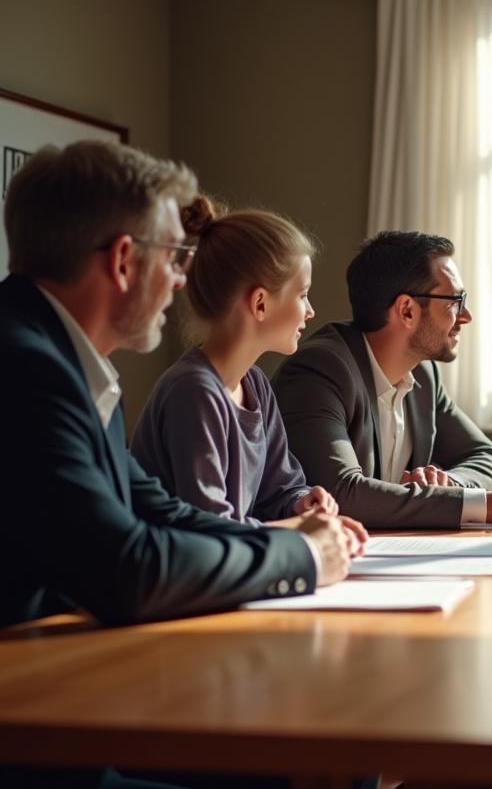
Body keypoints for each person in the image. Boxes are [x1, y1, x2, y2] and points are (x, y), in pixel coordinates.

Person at [0, 140, 362, 788]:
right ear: (121, 261)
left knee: (339, 756)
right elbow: (127, 567)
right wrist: (300, 559)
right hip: (37, 733)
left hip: (67, 692)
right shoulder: (25, 367)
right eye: (174, 258)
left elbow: (158, 510)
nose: (182, 279)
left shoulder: (70, 363)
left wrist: (300, 538)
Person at [273, 230, 492, 528]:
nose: (466, 316)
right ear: (407, 310)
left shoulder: (424, 375)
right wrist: (488, 505)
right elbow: (342, 493)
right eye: (455, 301)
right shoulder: (319, 369)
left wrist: (450, 482)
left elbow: (487, 456)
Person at [131, 196, 346, 528]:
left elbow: (280, 489)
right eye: (302, 294)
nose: (311, 310)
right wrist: (303, 530)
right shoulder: (193, 392)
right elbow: (210, 529)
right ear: (260, 303)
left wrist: (300, 504)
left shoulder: (255, 382)